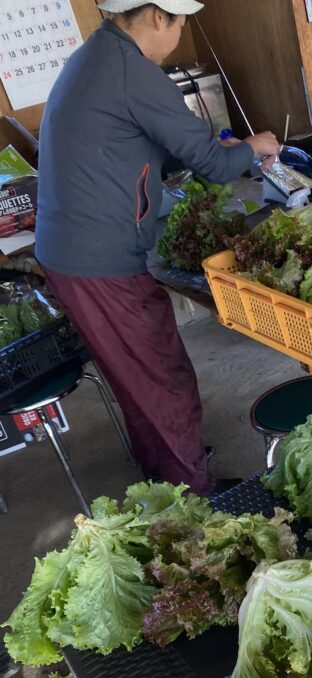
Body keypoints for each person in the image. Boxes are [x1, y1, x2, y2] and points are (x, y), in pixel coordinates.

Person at [35, 0, 280, 495]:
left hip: (70, 252)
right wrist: (256, 146)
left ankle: (164, 477)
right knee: (164, 378)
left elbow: (143, 144)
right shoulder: (136, 74)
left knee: (138, 376)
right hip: (98, 259)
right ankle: (196, 498)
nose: (180, 32)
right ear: (156, 17)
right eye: (181, 21)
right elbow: (214, 166)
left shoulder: (96, 54)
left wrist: (214, 149)